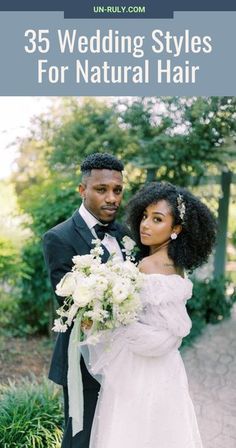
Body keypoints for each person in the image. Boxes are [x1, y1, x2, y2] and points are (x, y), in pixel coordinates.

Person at [82, 181, 216, 448]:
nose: (145, 225)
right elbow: (168, 327)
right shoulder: (177, 266)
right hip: (168, 369)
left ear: (176, 229)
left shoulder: (147, 265)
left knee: (132, 432)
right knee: (165, 433)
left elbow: (132, 325)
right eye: (144, 216)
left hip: (140, 372)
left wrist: (100, 323)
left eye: (157, 219)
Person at [43, 152, 131, 448]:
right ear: (82, 190)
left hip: (127, 360)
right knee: (81, 440)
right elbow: (67, 305)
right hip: (82, 361)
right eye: (101, 189)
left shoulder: (126, 234)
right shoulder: (59, 237)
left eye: (117, 190)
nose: (112, 198)